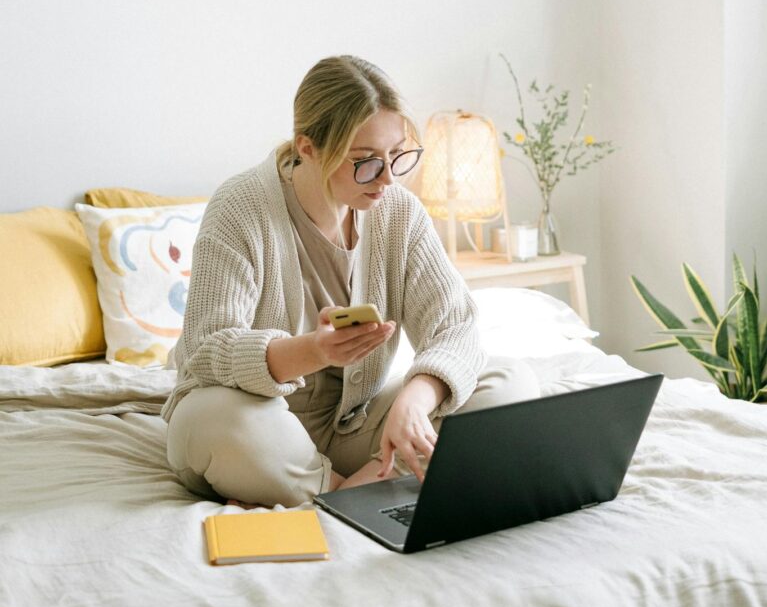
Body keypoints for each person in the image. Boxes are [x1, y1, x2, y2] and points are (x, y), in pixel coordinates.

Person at [163, 55, 540, 507]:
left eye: (397, 156)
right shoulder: (240, 208)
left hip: (355, 428)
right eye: (364, 162)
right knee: (211, 419)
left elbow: (455, 327)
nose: (386, 179)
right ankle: (368, 490)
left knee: (509, 381)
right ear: (308, 148)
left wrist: (416, 400)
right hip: (259, 427)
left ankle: (348, 494)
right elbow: (206, 351)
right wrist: (312, 351)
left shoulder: (398, 211)